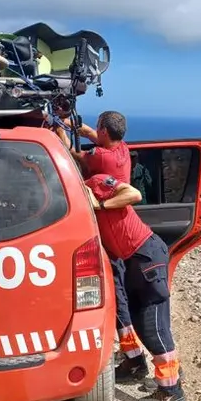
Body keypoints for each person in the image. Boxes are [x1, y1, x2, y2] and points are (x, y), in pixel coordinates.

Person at [53, 111, 147, 379]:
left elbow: (73, 154)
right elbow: (91, 134)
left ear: (105, 131)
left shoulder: (100, 158)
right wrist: (66, 121)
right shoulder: (121, 150)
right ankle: (133, 354)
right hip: (120, 239)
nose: (95, 131)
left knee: (117, 301)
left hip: (108, 239)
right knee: (120, 295)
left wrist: (59, 132)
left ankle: (134, 358)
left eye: (98, 128)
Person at [84, 173, 185, 401]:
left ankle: (171, 391)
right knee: (140, 320)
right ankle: (147, 370)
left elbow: (133, 194)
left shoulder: (96, 183)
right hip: (132, 261)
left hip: (145, 254)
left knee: (153, 326)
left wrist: (100, 204)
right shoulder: (76, 194)